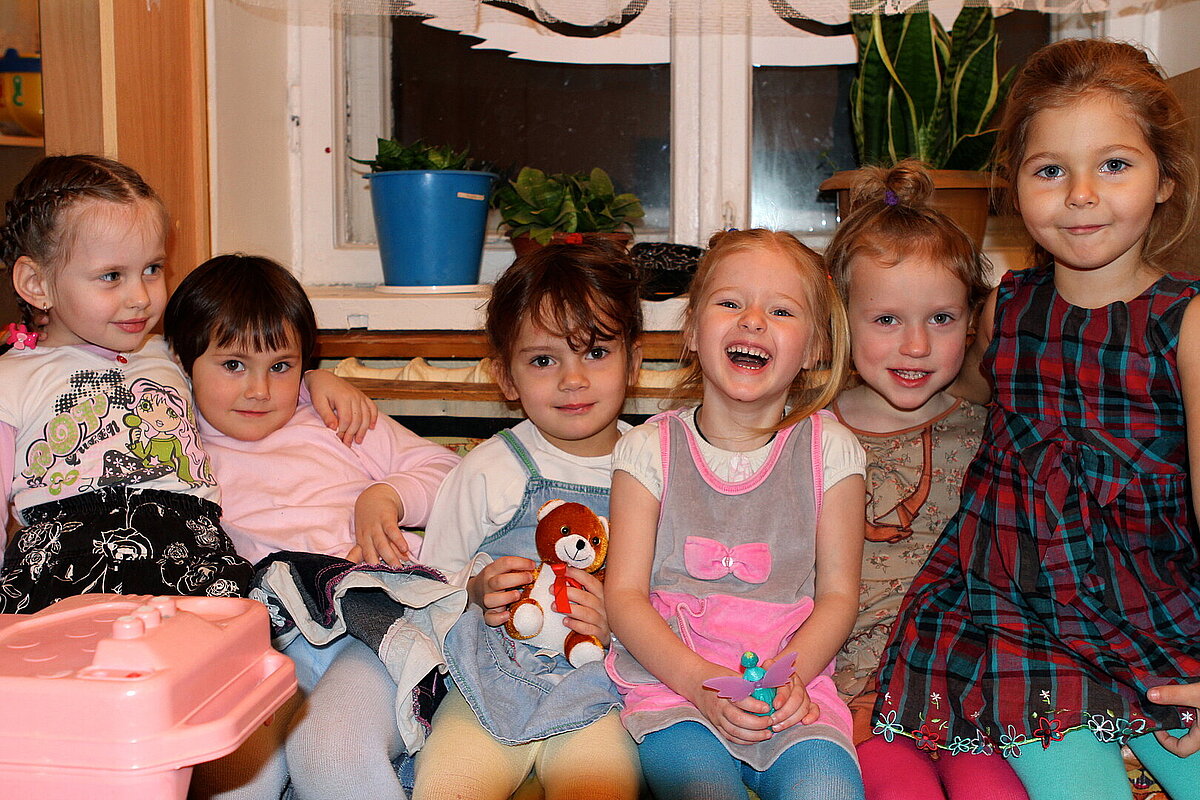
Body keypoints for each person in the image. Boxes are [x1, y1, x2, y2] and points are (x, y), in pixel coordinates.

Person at [872, 39, 1200, 800]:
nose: (1080, 195)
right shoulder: (1006, 310)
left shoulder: (1186, 323)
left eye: (1113, 165)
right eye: (1050, 170)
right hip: (1019, 618)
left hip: (1156, 612)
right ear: (1014, 185)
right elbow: (955, 403)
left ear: (1165, 180)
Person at [165, 253, 462, 800]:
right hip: (266, 644)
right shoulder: (176, 444)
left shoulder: (333, 418)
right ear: (183, 362)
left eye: (281, 366)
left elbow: (452, 476)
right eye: (233, 365)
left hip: (375, 625)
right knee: (231, 780)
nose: (259, 389)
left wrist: (387, 495)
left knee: (330, 752)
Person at [605, 228, 866, 800]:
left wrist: (788, 678)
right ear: (692, 330)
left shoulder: (831, 451)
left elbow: (838, 596)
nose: (752, 321)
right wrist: (700, 685)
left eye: (781, 310)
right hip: (676, 690)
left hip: (792, 687)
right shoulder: (648, 450)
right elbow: (622, 596)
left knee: (828, 789)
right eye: (730, 303)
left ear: (815, 348)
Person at [823, 162, 1027, 800]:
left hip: (968, 696)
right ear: (840, 317)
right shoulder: (805, 438)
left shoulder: (991, 435)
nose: (915, 345)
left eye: (941, 318)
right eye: (886, 320)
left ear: (971, 321)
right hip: (857, 700)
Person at [414, 240, 644, 800]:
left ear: (634, 362)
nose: (572, 379)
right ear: (506, 376)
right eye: (543, 360)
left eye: (596, 352)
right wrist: (473, 591)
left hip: (603, 694)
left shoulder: (653, 468)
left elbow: (678, 600)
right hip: (486, 690)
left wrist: (619, 624)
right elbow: (424, 588)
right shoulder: (488, 469)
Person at [0, 154, 255, 611]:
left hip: (192, 547)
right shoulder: (11, 378)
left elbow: (250, 379)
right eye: (112, 276)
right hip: (68, 558)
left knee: (237, 639)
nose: (140, 297)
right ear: (37, 284)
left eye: (152, 269)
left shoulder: (173, 353)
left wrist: (315, 385)